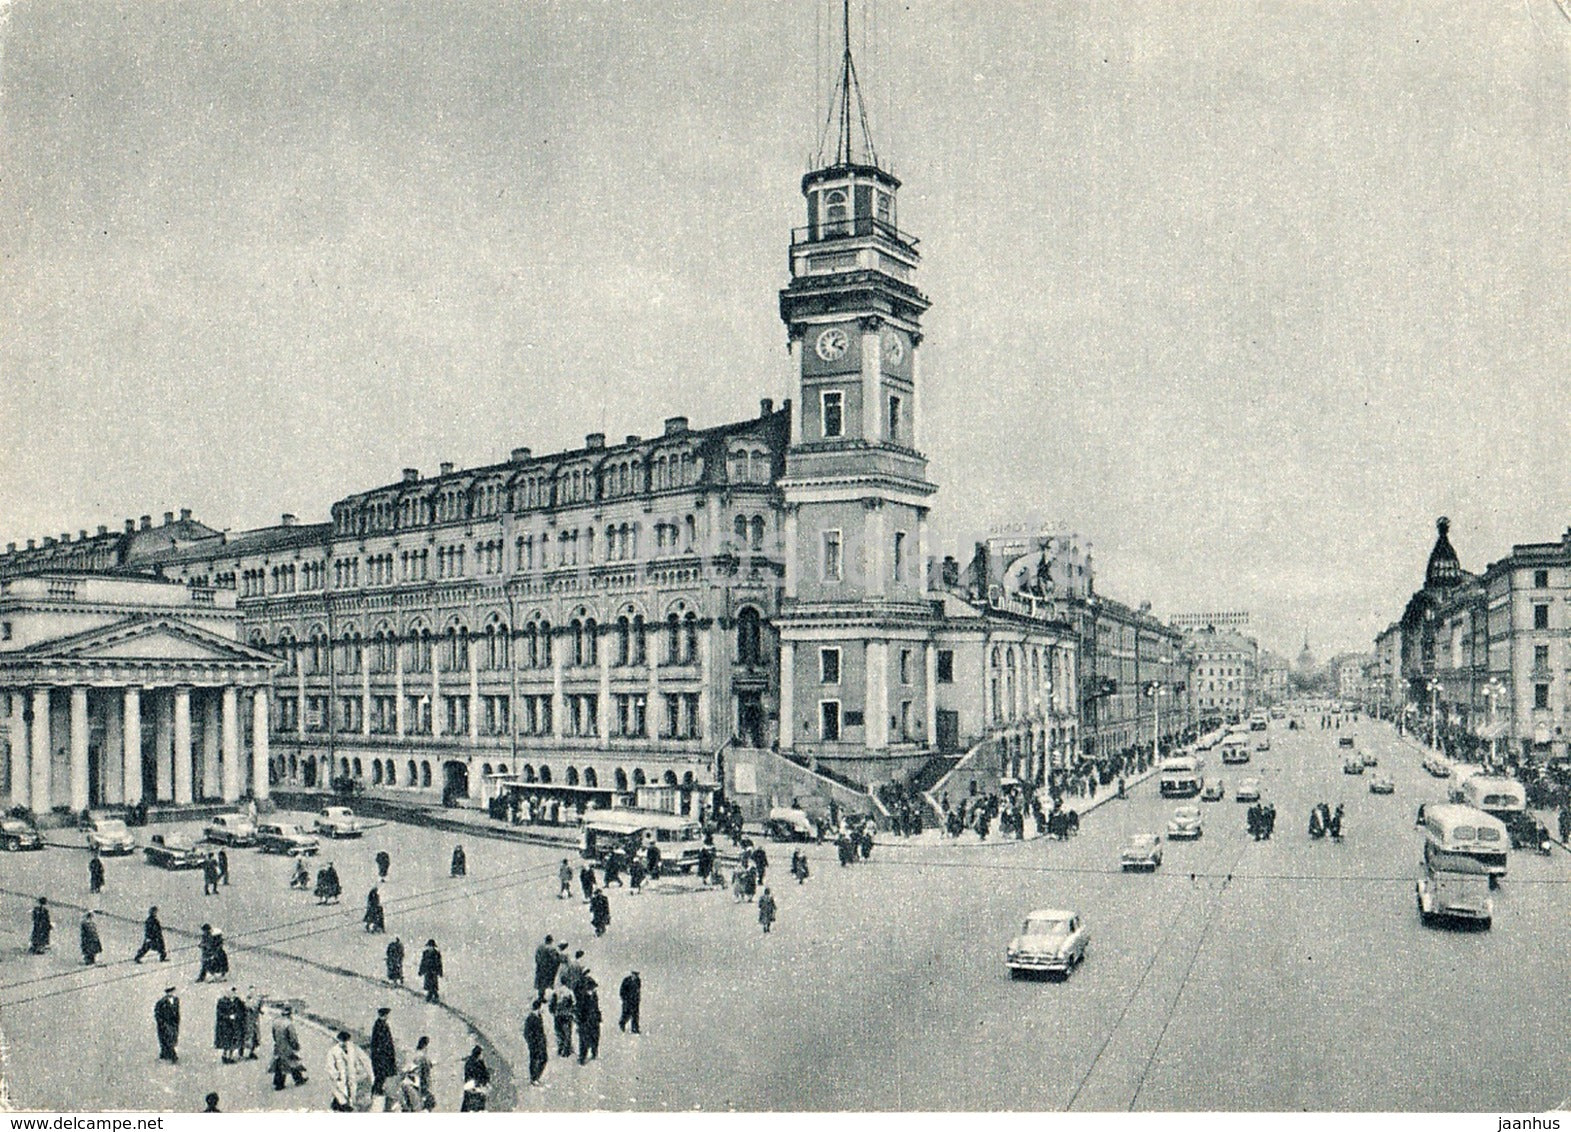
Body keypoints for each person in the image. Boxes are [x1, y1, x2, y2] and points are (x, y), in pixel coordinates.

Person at [326, 1030, 372, 1112]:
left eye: (345, 1041)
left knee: (352, 1091)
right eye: (341, 1041)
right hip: (341, 1077)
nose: (344, 1044)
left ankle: (343, 1104)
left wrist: (368, 1072)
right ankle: (340, 1105)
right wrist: (335, 1075)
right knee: (341, 1092)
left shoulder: (354, 1049)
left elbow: (365, 1060)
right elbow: (330, 1065)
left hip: (352, 1075)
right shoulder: (333, 1051)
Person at [370, 1007, 398, 1103]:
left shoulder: (382, 1024)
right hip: (381, 1055)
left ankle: (378, 1090)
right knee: (380, 1074)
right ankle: (376, 1091)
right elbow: (379, 1042)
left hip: (383, 1054)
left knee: (382, 1074)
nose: (387, 1017)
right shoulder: (379, 1025)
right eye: (386, 1015)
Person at [523, 999, 549, 1086]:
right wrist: (532, 1042)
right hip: (535, 1043)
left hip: (540, 1042)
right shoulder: (531, 1018)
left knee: (543, 1059)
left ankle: (536, 1077)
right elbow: (527, 1033)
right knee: (535, 1059)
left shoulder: (538, 1016)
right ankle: (534, 1077)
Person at [575, 978, 601, 1064]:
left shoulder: (594, 995)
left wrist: (598, 1016)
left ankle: (594, 1053)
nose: (593, 990)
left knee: (595, 1038)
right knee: (584, 1040)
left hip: (594, 1021)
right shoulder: (583, 997)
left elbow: (596, 1007)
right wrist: (580, 1020)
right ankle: (582, 1057)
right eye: (592, 988)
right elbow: (579, 1010)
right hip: (585, 1022)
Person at [216, 987, 245, 1063]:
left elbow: (241, 1010)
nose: (233, 994)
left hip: (235, 1024)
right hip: (225, 1025)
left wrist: (237, 1016)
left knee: (233, 1041)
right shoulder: (222, 1001)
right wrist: (228, 1017)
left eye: (234, 993)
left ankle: (230, 1056)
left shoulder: (237, 1001)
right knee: (226, 1041)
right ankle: (225, 1055)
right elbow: (219, 1014)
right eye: (231, 993)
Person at [155, 986, 181, 1063]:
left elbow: (177, 1013)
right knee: (166, 1039)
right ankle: (172, 1055)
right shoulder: (161, 1003)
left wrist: (177, 1022)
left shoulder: (176, 1000)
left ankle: (165, 1054)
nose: (171, 994)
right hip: (164, 1024)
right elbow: (157, 1014)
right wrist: (162, 1023)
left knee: (172, 1039)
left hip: (173, 1024)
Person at [549, 982, 576, 1058]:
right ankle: (567, 1050)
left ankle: (561, 1048)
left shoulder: (556, 993)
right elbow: (573, 1005)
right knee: (567, 1033)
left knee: (559, 1032)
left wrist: (555, 1012)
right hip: (567, 1016)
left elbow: (551, 1007)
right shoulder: (569, 992)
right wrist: (570, 1012)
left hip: (558, 1017)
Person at [460, 1046, 490, 1111]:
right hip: (476, 1087)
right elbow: (482, 1074)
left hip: (471, 1086)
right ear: (479, 1054)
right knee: (476, 1107)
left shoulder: (469, 1062)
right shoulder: (477, 1063)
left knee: (467, 1105)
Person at [242, 987, 264, 1060]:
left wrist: (260, 1010)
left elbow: (258, 1007)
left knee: (254, 1036)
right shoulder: (246, 1001)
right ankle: (243, 1050)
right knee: (247, 1035)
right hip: (248, 1021)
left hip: (254, 1021)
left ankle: (251, 1052)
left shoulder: (256, 1000)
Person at [418, 939, 444, 1003]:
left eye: (431, 946)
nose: (430, 947)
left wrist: (440, 972)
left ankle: (431, 996)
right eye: (429, 946)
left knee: (433, 984)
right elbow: (423, 962)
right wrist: (421, 970)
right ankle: (434, 996)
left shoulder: (437, 954)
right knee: (429, 984)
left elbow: (439, 963)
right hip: (427, 971)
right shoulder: (425, 953)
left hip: (434, 971)